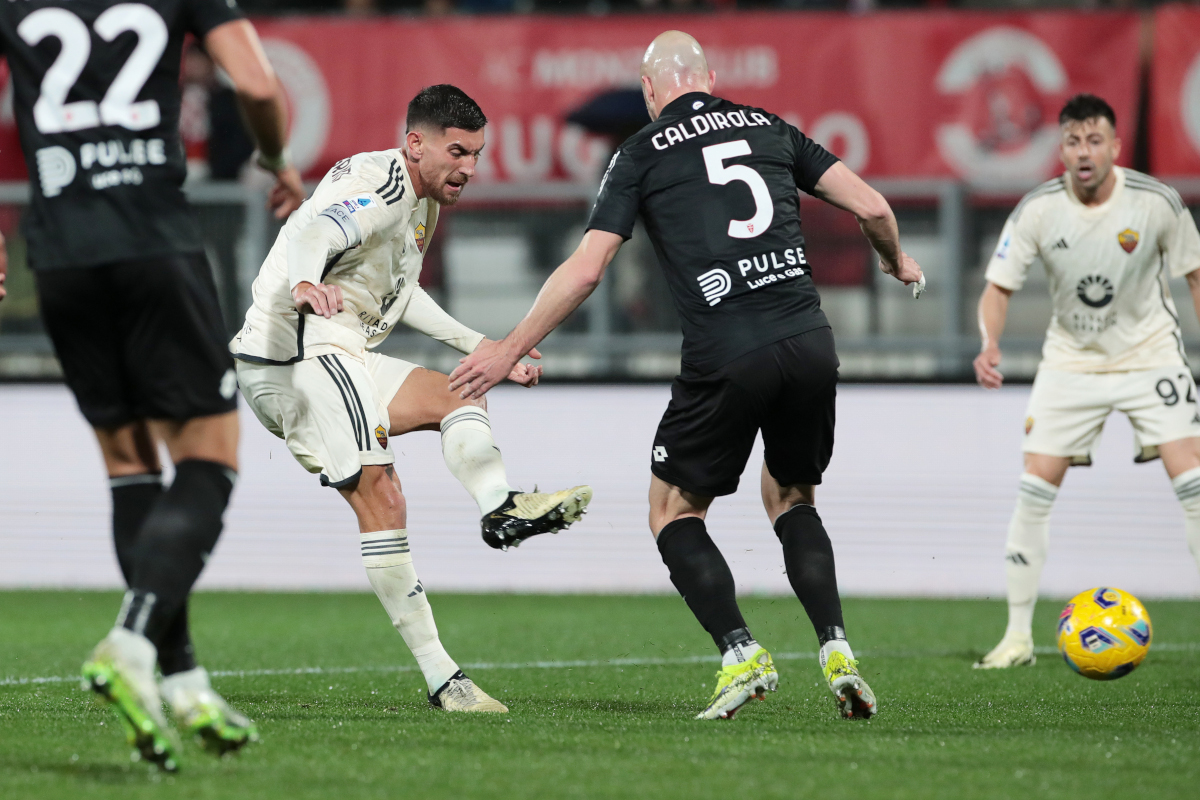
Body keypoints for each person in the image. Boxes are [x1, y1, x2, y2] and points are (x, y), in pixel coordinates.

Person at [450, 32, 924, 720]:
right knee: (792, 496)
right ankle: (837, 650)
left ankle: (741, 655)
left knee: (673, 509)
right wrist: (894, 261)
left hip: (728, 349)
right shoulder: (768, 126)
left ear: (651, 91)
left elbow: (587, 269)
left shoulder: (641, 152)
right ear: (708, 76)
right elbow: (875, 207)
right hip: (808, 340)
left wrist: (507, 347)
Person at [0, 0, 305, 770]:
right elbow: (261, 87)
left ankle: (185, 679)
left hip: (60, 253)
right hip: (152, 243)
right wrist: (274, 158)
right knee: (212, 457)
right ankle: (132, 641)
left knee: (130, 464)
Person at [232, 85, 592, 713]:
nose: (470, 169)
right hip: (296, 353)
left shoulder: (418, 203)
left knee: (459, 391)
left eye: (477, 155)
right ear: (415, 143)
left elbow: (401, 295)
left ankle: (500, 506)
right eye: (458, 152)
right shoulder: (389, 189)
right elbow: (316, 227)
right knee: (383, 497)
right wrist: (306, 281)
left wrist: (487, 346)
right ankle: (444, 681)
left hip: (334, 347)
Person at [972, 94, 1200, 669]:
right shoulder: (1038, 210)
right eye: (1073, 141)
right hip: (1071, 363)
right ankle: (1017, 638)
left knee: (1195, 485)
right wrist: (989, 343)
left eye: (1094, 140)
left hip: (1150, 358)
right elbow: (997, 288)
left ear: (1115, 146)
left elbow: (1196, 275)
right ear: (1062, 148)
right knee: (1033, 490)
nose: (1083, 152)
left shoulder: (1156, 202)